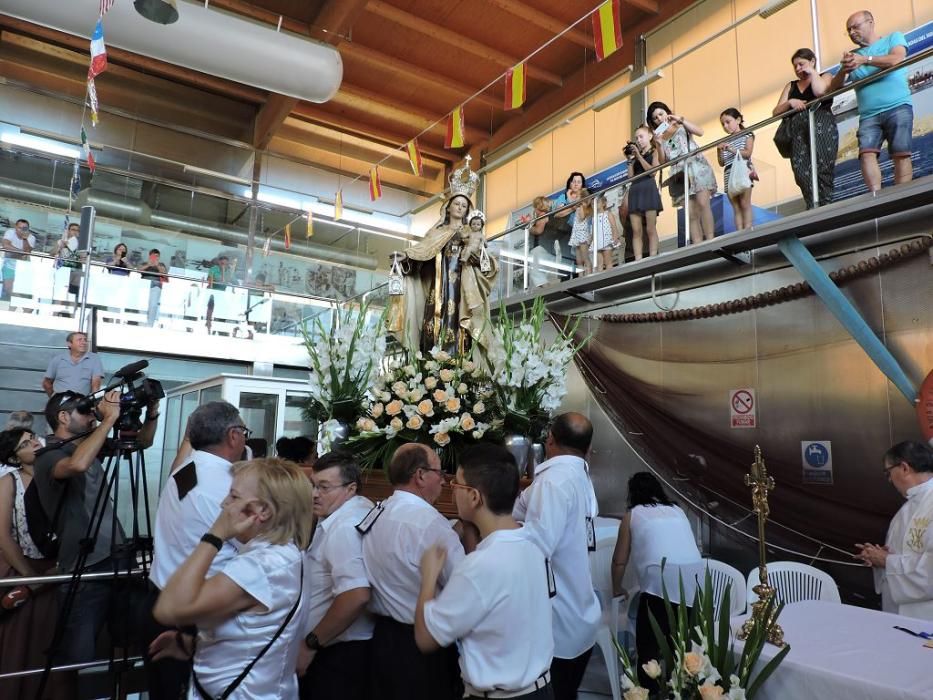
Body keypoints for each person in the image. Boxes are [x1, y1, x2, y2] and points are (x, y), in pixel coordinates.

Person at [152, 458, 313, 700]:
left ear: (263, 511)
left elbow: (169, 608)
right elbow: (255, 632)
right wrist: (193, 645)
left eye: (234, 497)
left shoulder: (259, 567)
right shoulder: (288, 553)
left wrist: (215, 535)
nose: (224, 503)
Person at [415, 444, 555, 699]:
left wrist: (428, 577)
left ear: (474, 497)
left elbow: (426, 638)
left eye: (457, 485)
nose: (451, 490)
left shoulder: (479, 566)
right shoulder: (534, 542)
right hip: (541, 688)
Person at [33, 389, 158, 663]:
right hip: (84, 565)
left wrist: (152, 412)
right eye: (84, 410)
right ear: (63, 417)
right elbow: (76, 465)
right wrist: (107, 421)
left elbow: (143, 443)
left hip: (116, 555)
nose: (92, 414)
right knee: (77, 656)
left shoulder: (87, 446)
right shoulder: (47, 455)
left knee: (125, 645)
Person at [145, 400, 249, 699]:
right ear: (233, 435)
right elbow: (254, 543)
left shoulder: (185, 468)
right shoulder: (229, 485)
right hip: (194, 616)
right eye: (243, 431)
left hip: (160, 600)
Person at [361, 443, 466, 700]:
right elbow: (463, 587)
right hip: (423, 644)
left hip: (383, 639)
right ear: (420, 475)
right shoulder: (431, 524)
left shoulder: (377, 511)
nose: (443, 481)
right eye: (439, 473)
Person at [513, 413, 600, 700]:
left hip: (558, 620)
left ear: (550, 439)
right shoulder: (580, 477)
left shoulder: (553, 482)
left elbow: (537, 548)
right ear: (588, 448)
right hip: (580, 611)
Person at [387, 157, 498, 355]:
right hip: (437, 285)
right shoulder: (437, 231)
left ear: (468, 211)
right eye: (457, 204)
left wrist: (475, 253)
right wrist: (405, 258)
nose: (460, 208)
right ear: (448, 206)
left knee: (457, 322)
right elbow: (422, 251)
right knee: (432, 319)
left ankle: (458, 363)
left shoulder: (471, 234)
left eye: (464, 206)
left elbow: (485, 263)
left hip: (459, 288)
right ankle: (429, 359)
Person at [610, 472, 702, 689]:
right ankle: (680, 689)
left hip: (661, 577)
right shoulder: (677, 510)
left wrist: (616, 587)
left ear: (632, 493)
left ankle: (648, 690)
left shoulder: (633, 514)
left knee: (649, 642)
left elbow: (619, 561)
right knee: (682, 646)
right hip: (694, 577)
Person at [0, 429, 72, 700]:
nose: (34, 444)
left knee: (50, 639)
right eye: (25, 444)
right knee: (20, 641)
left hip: (56, 568)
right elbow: (3, 535)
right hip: (22, 567)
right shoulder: (10, 481)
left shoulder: (57, 474)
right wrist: (30, 577)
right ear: (15, 457)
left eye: (33, 438)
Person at [297, 452, 375, 700]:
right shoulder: (352, 509)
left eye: (324, 487)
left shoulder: (343, 527)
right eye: (313, 486)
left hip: (337, 652)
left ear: (351, 489)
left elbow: (356, 595)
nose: (314, 494)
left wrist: (311, 644)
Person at [829, 11, 912, 192]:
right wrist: (843, 70)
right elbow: (832, 88)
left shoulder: (893, 38)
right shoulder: (851, 56)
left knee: (901, 153)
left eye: (855, 27)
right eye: (848, 30)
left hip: (898, 106)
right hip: (868, 114)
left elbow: (897, 59)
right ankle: (876, 199)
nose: (851, 33)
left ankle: (903, 197)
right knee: (866, 154)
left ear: (871, 22)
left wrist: (865, 59)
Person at [855, 441, 933, 620]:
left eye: (888, 473)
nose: (889, 480)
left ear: (904, 468)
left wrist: (887, 561)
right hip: (897, 611)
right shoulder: (907, 508)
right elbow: (903, 553)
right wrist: (877, 557)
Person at [773, 48, 838, 209]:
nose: (798, 69)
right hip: (797, 131)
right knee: (801, 172)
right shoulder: (791, 85)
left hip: (821, 124)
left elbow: (820, 92)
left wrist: (812, 73)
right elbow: (775, 112)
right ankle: (812, 207)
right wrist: (790, 102)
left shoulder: (825, 76)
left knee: (823, 165)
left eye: (801, 64)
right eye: (795, 66)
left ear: (812, 61)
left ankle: (827, 206)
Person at [647, 102, 718, 245]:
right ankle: (698, 244)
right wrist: (659, 144)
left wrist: (681, 120)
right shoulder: (659, 137)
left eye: (661, 114)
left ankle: (711, 241)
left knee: (704, 204)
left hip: (696, 165)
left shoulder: (680, 125)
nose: (659, 119)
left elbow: (700, 131)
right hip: (678, 173)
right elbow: (663, 161)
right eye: (655, 118)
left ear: (667, 112)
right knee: (691, 213)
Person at [625, 127, 663, 260]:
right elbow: (630, 177)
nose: (638, 140)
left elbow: (652, 172)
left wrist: (639, 156)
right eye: (636, 138)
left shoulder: (655, 151)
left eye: (641, 137)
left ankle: (653, 257)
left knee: (650, 228)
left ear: (650, 136)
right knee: (636, 230)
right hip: (635, 189)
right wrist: (630, 159)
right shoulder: (635, 156)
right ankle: (638, 259)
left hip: (648, 188)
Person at [718, 108, 756, 231]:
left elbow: (748, 153)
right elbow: (722, 162)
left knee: (745, 203)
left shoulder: (747, 134)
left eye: (728, 122)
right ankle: (740, 231)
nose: (725, 126)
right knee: (736, 206)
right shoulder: (724, 141)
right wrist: (719, 150)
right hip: (729, 172)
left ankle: (748, 228)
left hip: (743, 168)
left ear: (738, 120)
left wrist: (731, 149)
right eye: (723, 124)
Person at [42, 331, 104, 396]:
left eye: (85, 340)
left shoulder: (94, 359)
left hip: (81, 403)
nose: (84, 342)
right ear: (69, 344)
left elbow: (96, 382)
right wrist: (53, 398)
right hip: (59, 402)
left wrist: (93, 400)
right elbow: (46, 383)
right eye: (79, 340)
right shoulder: (58, 359)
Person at [527, 196, 558, 287]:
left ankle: (549, 291)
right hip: (548, 249)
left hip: (539, 249)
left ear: (537, 207)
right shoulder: (550, 216)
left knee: (535, 273)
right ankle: (549, 289)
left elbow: (538, 230)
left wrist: (528, 226)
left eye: (534, 207)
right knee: (540, 275)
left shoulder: (542, 216)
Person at [2, 219, 35, 302]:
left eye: (25, 228)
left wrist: (24, 239)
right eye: (20, 228)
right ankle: (25, 305)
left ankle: (20, 306)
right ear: (15, 227)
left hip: (23, 267)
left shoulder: (31, 237)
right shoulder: (10, 232)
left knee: (21, 290)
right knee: (8, 289)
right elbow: (5, 245)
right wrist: (21, 252)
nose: (22, 230)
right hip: (9, 265)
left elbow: (27, 252)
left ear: (28, 229)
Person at [54, 222, 84, 302]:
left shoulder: (82, 245)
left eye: (77, 231)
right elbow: (52, 253)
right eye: (73, 230)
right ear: (68, 231)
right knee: (60, 295)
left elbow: (84, 259)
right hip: (63, 271)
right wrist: (60, 246)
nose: (75, 232)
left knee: (73, 296)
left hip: (76, 272)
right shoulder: (61, 241)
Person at [594, 194, 623, 272]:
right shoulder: (594, 217)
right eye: (594, 203)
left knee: (608, 261)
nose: (595, 204)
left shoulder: (608, 214)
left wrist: (615, 236)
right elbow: (593, 230)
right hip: (597, 242)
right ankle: (599, 278)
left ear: (603, 203)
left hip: (607, 240)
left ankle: (609, 277)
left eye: (598, 202)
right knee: (599, 263)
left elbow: (614, 226)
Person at [139, 249, 168, 327]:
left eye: (157, 256)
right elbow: (139, 270)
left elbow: (164, 274)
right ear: (150, 256)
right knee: (142, 303)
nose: (155, 257)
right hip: (143, 285)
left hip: (156, 284)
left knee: (153, 304)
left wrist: (157, 265)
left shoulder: (161, 264)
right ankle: (141, 322)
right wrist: (149, 264)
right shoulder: (145, 263)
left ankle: (150, 324)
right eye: (153, 256)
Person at [568, 188, 593, 276]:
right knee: (578, 260)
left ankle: (589, 275)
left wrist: (581, 205)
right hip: (576, 234)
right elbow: (571, 204)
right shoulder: (578, 207)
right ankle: (580, 276)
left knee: (585, 258)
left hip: (582, 234)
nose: (575, 198)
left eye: (577, 196)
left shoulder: (583, 207)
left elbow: (582, 217)